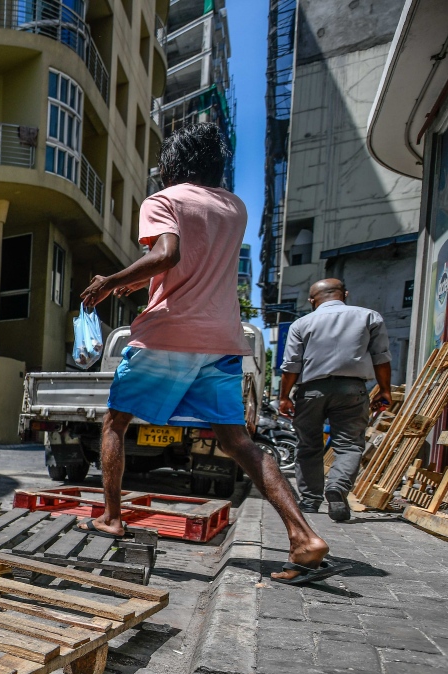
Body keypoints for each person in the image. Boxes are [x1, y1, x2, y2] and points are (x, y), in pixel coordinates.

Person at [79, 121, 336, 584]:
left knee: (116, 421)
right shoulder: (232, 207)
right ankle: (304, 537)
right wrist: (142, 281)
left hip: (168, 333)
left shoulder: (164, 200)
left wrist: (110, 282)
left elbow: (169, 255)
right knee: (238, 442)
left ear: (174, 164)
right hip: (221, 340)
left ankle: (113, 517)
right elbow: (195, 265)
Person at [278, 278, 393, 522]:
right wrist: (385, 390)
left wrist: (284, 397)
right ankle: (337, 488)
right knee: (349, 445)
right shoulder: (370, 317)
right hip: (352, 390)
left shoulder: (301, 323)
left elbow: (291, 366)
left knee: (308, 446)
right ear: (345, 294)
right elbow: (381, 357)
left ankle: (309, 501)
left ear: (312, 300)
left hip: (310, 392)